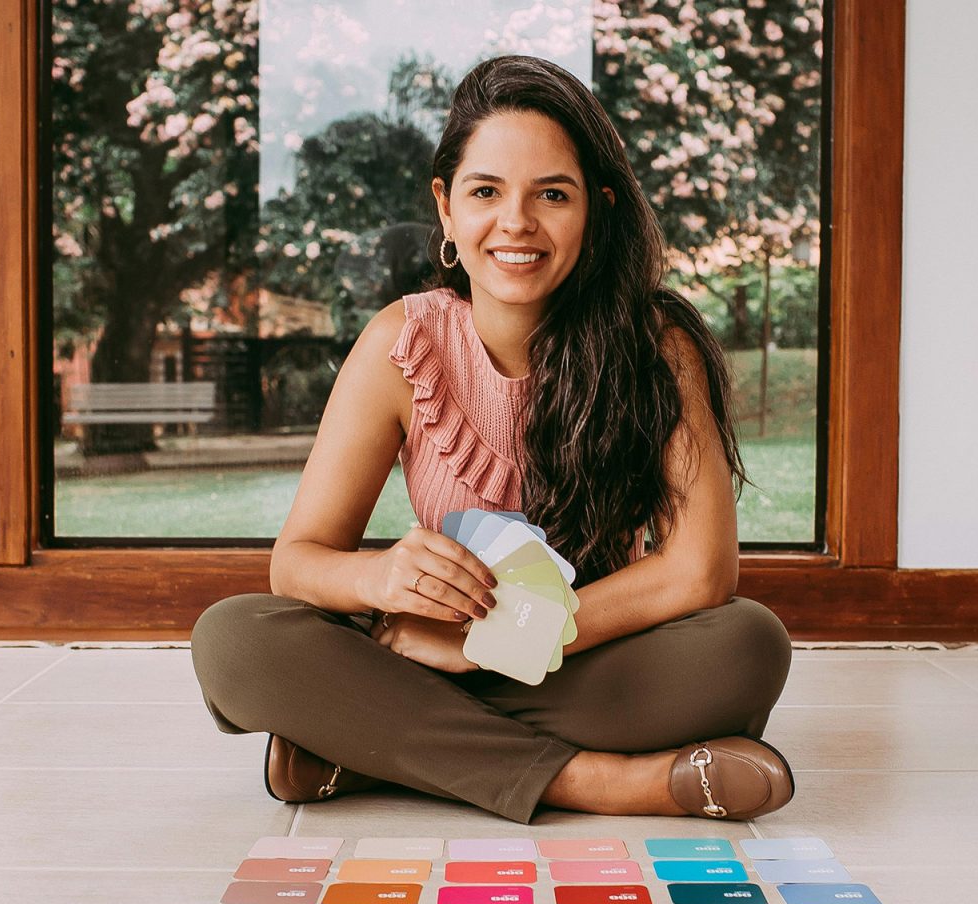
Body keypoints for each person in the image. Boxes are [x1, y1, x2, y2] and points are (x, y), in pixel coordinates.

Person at [190, 54, 795, 824]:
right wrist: (379, 582)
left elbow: (698, 573)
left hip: (577, 658)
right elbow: (296, 561)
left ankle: (373, 749)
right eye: (485, 192)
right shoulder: (400, 345)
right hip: (423, 651)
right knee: (234, 641)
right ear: (445, 208)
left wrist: (482, 652)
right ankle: (599, 781)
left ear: (596, 209)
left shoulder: (656, 344)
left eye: (552, 194)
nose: (516, 223)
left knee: (745, 646)